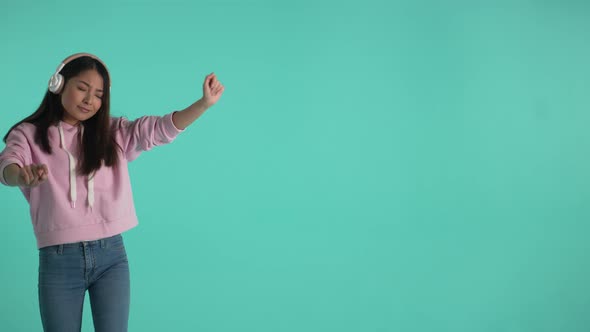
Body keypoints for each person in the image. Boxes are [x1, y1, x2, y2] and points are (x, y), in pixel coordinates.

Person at [0, 52, 225, 332]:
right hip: (58, 260)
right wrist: (20, 175)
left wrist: (203, 104)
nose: (89, 100)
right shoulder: (28, 134)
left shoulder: (113, 132)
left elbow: (160, 129)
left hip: (112, 256)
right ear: (57, 84)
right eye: (82, 88)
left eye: (98, 94)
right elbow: (8, 164)